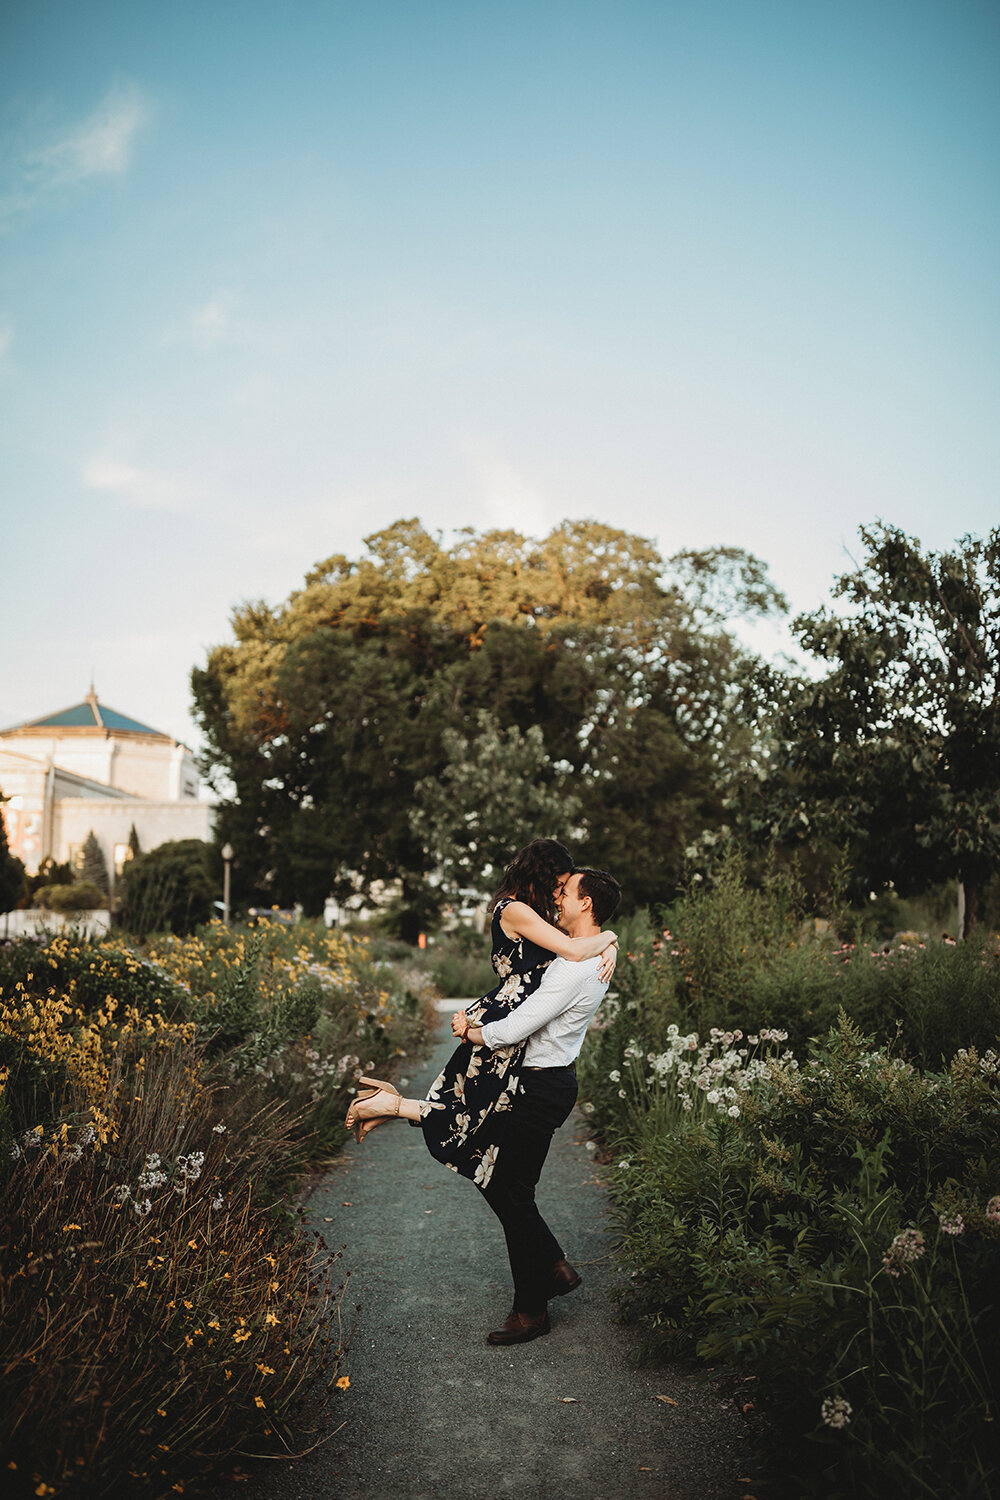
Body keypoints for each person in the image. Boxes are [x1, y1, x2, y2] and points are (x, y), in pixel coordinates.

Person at [348, 857, 622, 1345]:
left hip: (539, 1086)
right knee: (500, 1179)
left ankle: (533, 1306)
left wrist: (473, 1031)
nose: (557, 897)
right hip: (537, 1082)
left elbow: (516, 1027)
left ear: (587, 903)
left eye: (567, 891)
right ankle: (550, 1269)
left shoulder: (574, 968)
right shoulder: (582, 956)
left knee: (509, 1189)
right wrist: (610, 940)